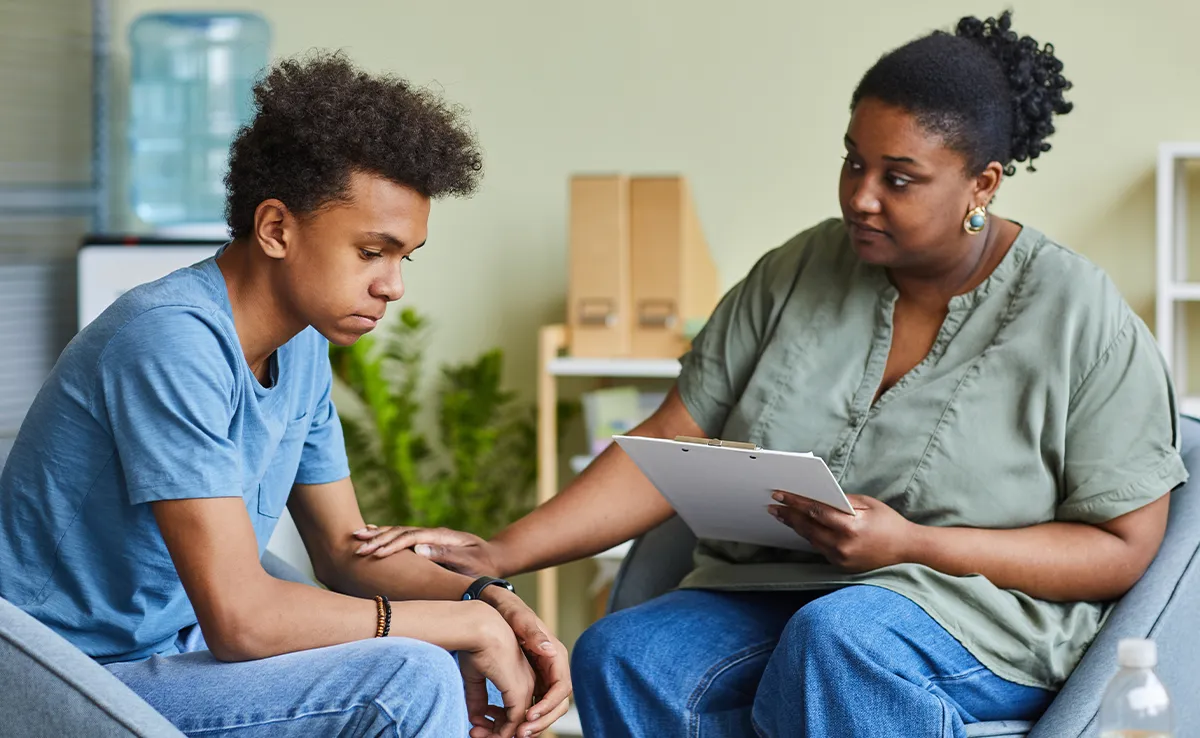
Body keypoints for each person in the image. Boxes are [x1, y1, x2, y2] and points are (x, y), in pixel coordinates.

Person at [353, 11, 1187, 738]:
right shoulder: (796, 271)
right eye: (853, 162)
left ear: (984, 184)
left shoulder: (1080, 313)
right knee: (626, 652)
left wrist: (912, 544)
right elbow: (669, 439)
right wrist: (503, 549)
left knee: (842, 640)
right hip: (781, 591)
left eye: (899, 179)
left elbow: (1122, 547)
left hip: (981, 616)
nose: (861, 196)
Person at [0, 52, 571, 738]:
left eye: (403, 257)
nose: (393, 285)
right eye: (371, 252)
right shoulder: (169, 341)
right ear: (276, 229)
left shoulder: (299, 346)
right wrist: (457, 625)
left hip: (170, 654)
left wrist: (493, 602)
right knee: (406, 679)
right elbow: (242, 621)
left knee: (435, 659)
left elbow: (341, 550)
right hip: (64, 677)